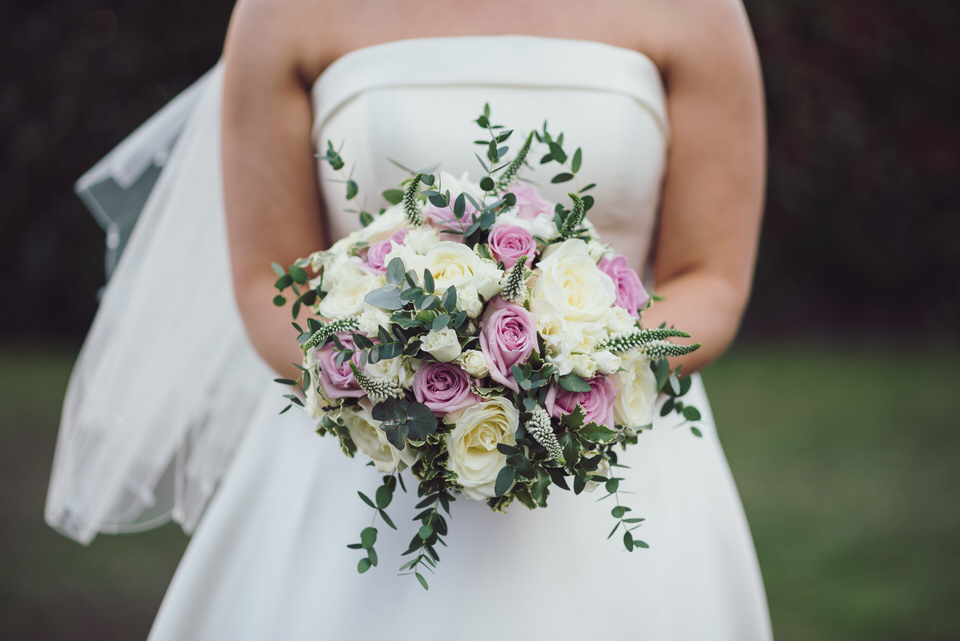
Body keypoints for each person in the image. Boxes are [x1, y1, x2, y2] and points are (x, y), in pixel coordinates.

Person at [48, 0, 772, 638]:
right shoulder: (280, 11)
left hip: (618, 454)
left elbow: (711, 278)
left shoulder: (700, 11)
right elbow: (270, 277)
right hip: (364, 459)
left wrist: (568, 369)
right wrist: (397, 376)